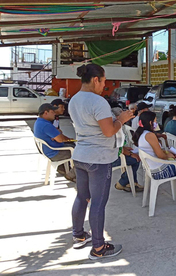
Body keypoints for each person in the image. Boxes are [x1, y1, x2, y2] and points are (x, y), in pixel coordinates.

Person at [69, 63, 134, 260]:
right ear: (96, 79)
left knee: (82, 197)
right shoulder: (98, 102)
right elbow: (108, 131)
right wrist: (121, 119)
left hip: (80, 155)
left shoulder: (74, 100)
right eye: (104, 81)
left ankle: (79, 235)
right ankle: (98, 248)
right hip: (98, 159)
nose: (104, 85)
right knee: (98, 202)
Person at [134, 111, 176, 203]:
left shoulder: (143, 134)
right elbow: (160, 155)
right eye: (155, 121)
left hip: (153, 167)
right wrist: (169, 155)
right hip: (159, 170)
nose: (156, 123)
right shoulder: (150, 135)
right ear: (150, 122)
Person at [34, 103, 75, 181]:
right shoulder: (46, 125)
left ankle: (66, 170)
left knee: (73, 146)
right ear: (46, 112)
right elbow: (61, 139)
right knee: (81, 153)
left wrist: (57, 134)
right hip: (54, 153)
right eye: (52, 112)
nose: (54, 113)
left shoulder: (39, 122)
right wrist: (59, 133)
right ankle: (72, 174)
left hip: (48, 151)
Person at [111, 107, 143, 193]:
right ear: (118, 117)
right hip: (112, 158)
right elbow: (117, 146)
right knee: (135, 160)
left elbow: (118, 144)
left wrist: (125, 149)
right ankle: (123, 183)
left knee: (134, 157)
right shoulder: (116, 126)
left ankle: (130, 183)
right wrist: (129, 154)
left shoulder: (116, 125)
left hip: (113, 154)